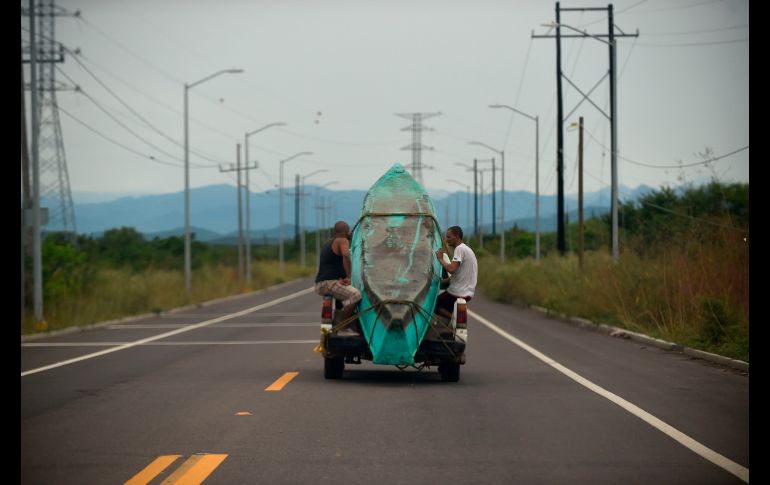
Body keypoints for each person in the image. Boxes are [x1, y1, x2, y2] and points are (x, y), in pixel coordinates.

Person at [315, 221, 362, 325]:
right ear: (346, 232)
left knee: (341, 301)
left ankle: (336, 324)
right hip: (329, 284)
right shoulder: (342, 240)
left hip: (322, 283)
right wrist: (349, 276)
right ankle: (343, 326)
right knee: (356, 295)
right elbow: (346, 255)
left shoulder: (329, 243)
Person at [434, 226, 477, 319]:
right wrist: (440, 282)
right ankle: (450, 321)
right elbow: (457, 275)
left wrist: (440, 259)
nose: (447, 239)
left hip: (459, 292)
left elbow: (452, 269)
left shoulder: (459, 249)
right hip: (468, 292)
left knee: (435, 304)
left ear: (456, 237)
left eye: (449, 237)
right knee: (446, 306)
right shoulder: (466, 249)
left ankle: (454, 321)